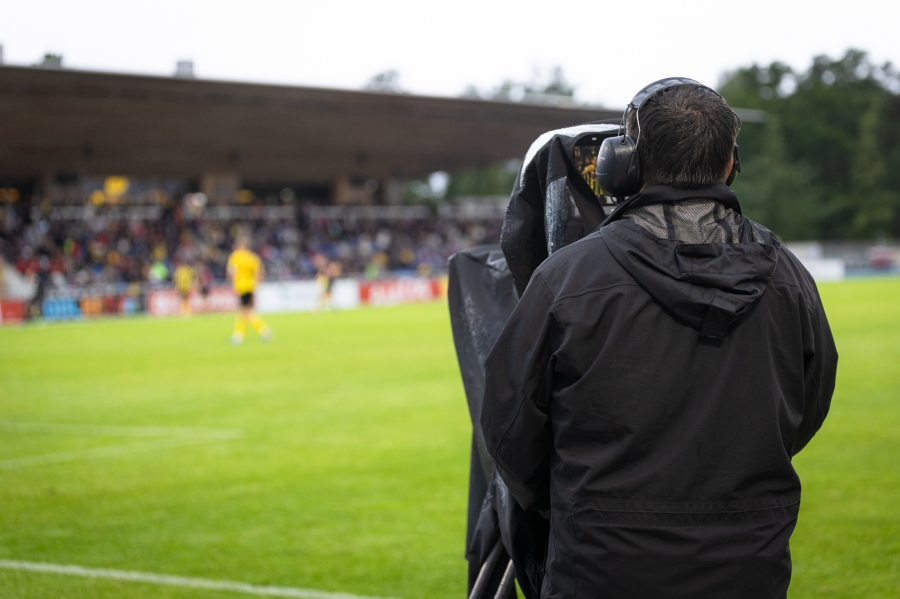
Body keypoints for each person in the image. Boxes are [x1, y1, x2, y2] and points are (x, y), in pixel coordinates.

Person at [481, 79, 838, 598]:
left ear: (622, 164)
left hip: (598, 567)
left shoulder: (566, 279)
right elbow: (809, 407)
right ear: (730, 163)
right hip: (749, 568)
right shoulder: (792, 279)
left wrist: (574, 498)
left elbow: (508, 427)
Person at [226, 236, 271, 344]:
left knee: (244, 312)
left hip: (241, 286)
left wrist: (233, 281)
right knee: (246, 311)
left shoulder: (235, 256)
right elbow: (259, 271)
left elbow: (232, 272)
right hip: (251, 286)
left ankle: (241, 335)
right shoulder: (252, 257)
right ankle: (259, 332)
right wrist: (257, 283)